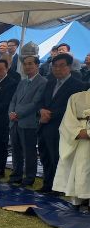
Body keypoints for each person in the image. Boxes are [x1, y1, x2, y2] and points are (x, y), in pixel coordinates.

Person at [39, 52, 88, 194]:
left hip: (62, 128)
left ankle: (58, 188)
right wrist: (41, 110)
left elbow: (74, 108)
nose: (57, 69)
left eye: (61, 66)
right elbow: (41, 101)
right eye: (55, 66)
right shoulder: (49, 82)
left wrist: (50, 114)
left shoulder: (78, 85)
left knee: (58, 158)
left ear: (69, 67)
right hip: (44, 125)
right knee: (45, 157)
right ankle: (47, 184)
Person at [8, 55, 48, 186]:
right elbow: (13, 99)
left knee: (29, 152)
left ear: (37, 65)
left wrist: (17, 113)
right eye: (25, 64)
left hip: (29, 122)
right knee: (15, 150)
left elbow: (35, 103)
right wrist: (11, 113)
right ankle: (16, 175)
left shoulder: (43, 82)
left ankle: (29, 177)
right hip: (14, 122)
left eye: (30, 64)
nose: (27, 66)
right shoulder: (22, 82)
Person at [53, 84, 90, 210]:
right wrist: (81, 132)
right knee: (81, 169)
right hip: (81, 140)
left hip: (84, 137)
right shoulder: (76, 97)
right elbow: (67, 122)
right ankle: (78, 200)